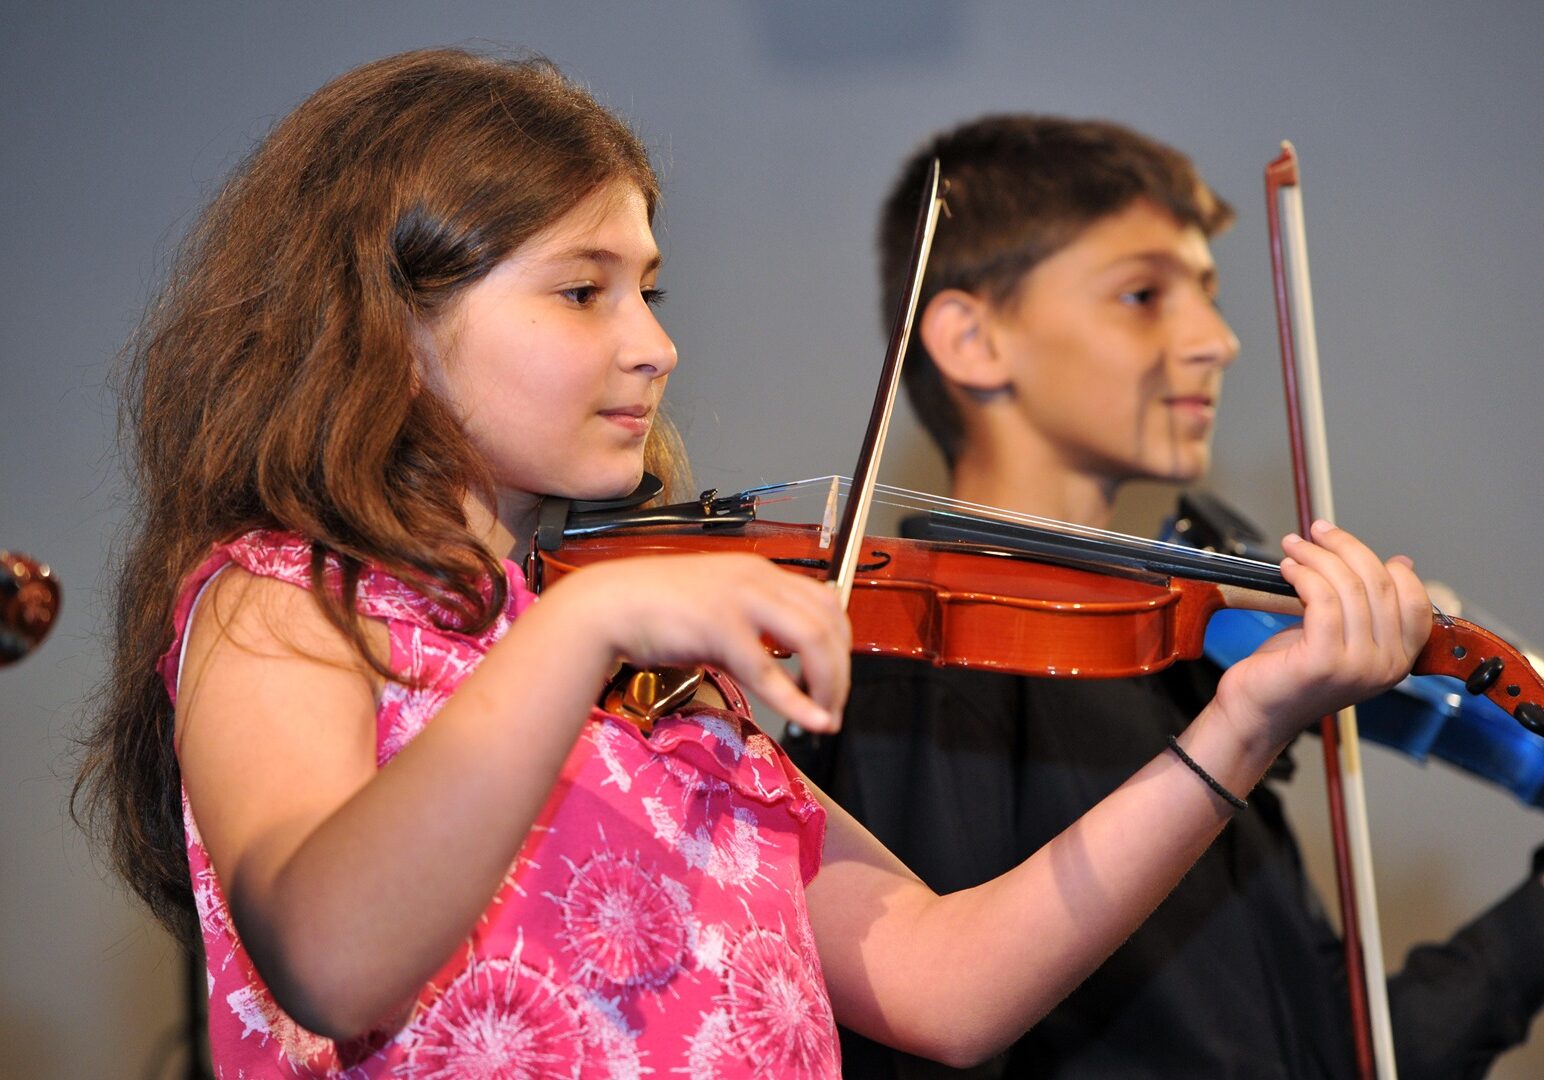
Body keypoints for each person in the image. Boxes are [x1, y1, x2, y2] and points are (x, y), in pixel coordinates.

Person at [72, 53, 1433, 1077]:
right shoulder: (286, 604)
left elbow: (941, 981)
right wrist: (580, 628)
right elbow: (331, 959)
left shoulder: (651, 675)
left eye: (650, 288)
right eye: (583, 287)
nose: (655, 344)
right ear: (392, 321)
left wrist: (1244, 726)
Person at [784, 114, 1544, 1078]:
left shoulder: (1178, 658)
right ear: (972, 339)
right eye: (1143, 294)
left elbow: (1325, 1058)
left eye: (1211, 295)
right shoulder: (924, 674)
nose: (1218, 342)